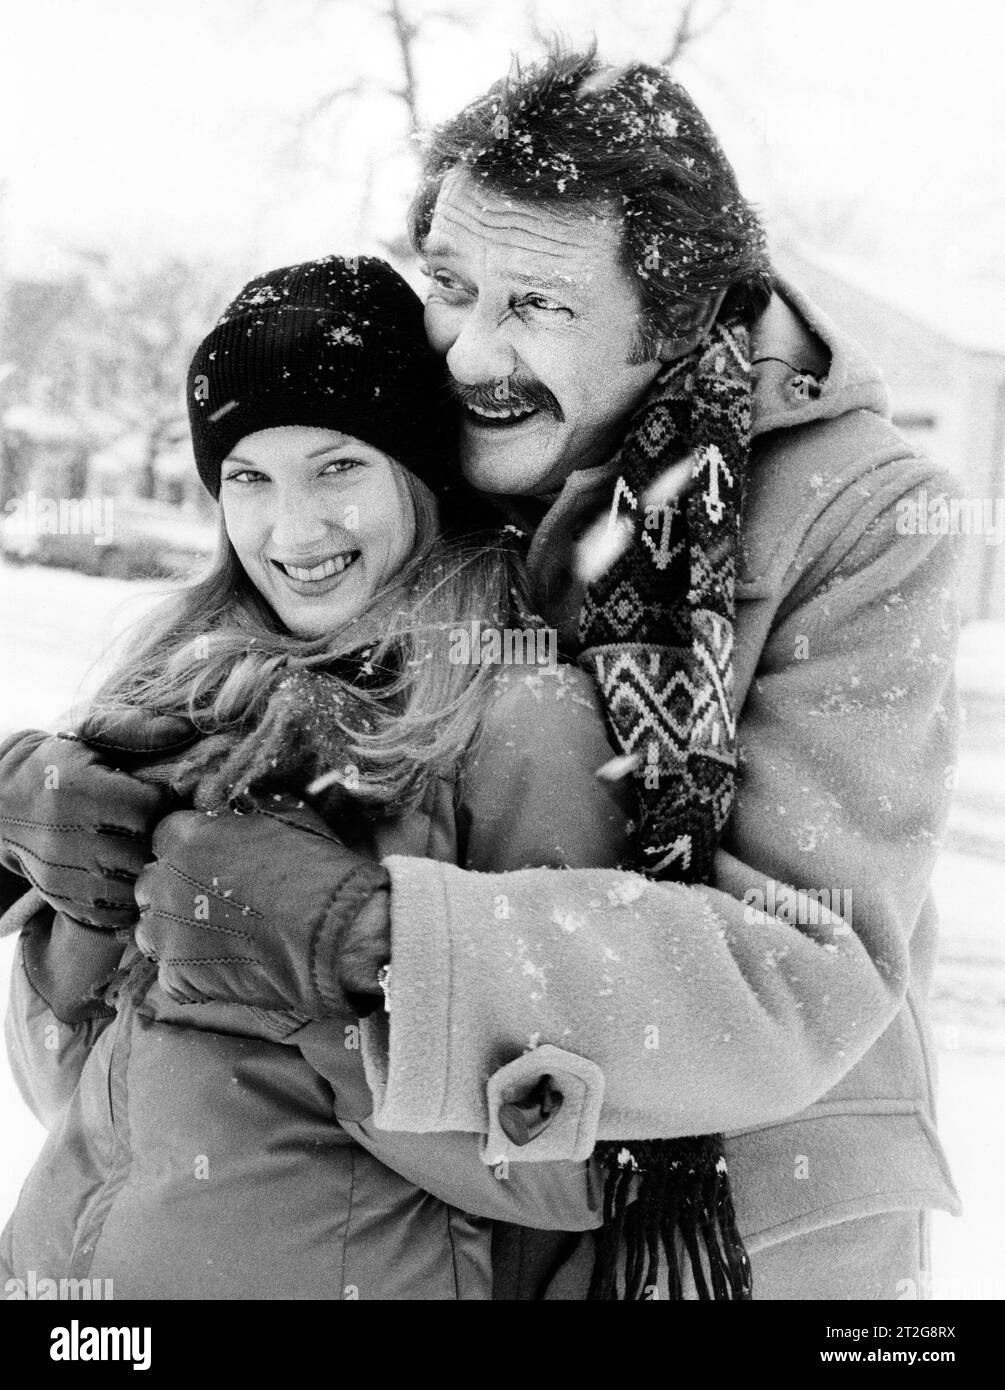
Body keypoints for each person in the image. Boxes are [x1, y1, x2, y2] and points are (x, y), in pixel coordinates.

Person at [4, 45, 966, 1300]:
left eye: (539, 303)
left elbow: (807, 959)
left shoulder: (861, 511)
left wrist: (374, 932)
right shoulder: (464, 433)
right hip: (450, 1186)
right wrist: (48, 810)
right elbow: (241, 690)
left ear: (671, 322)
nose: (464, 350)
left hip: (744, 1222)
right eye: (452, 284)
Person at [0, 255, 633, 1299]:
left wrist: (333, 992)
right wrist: (44, 865)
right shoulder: (175, 695)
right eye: (248, 477)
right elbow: (72, 1091)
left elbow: (569, 1170)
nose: (291, 532)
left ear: (420, 473)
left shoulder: (519, 717)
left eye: (337, 466)